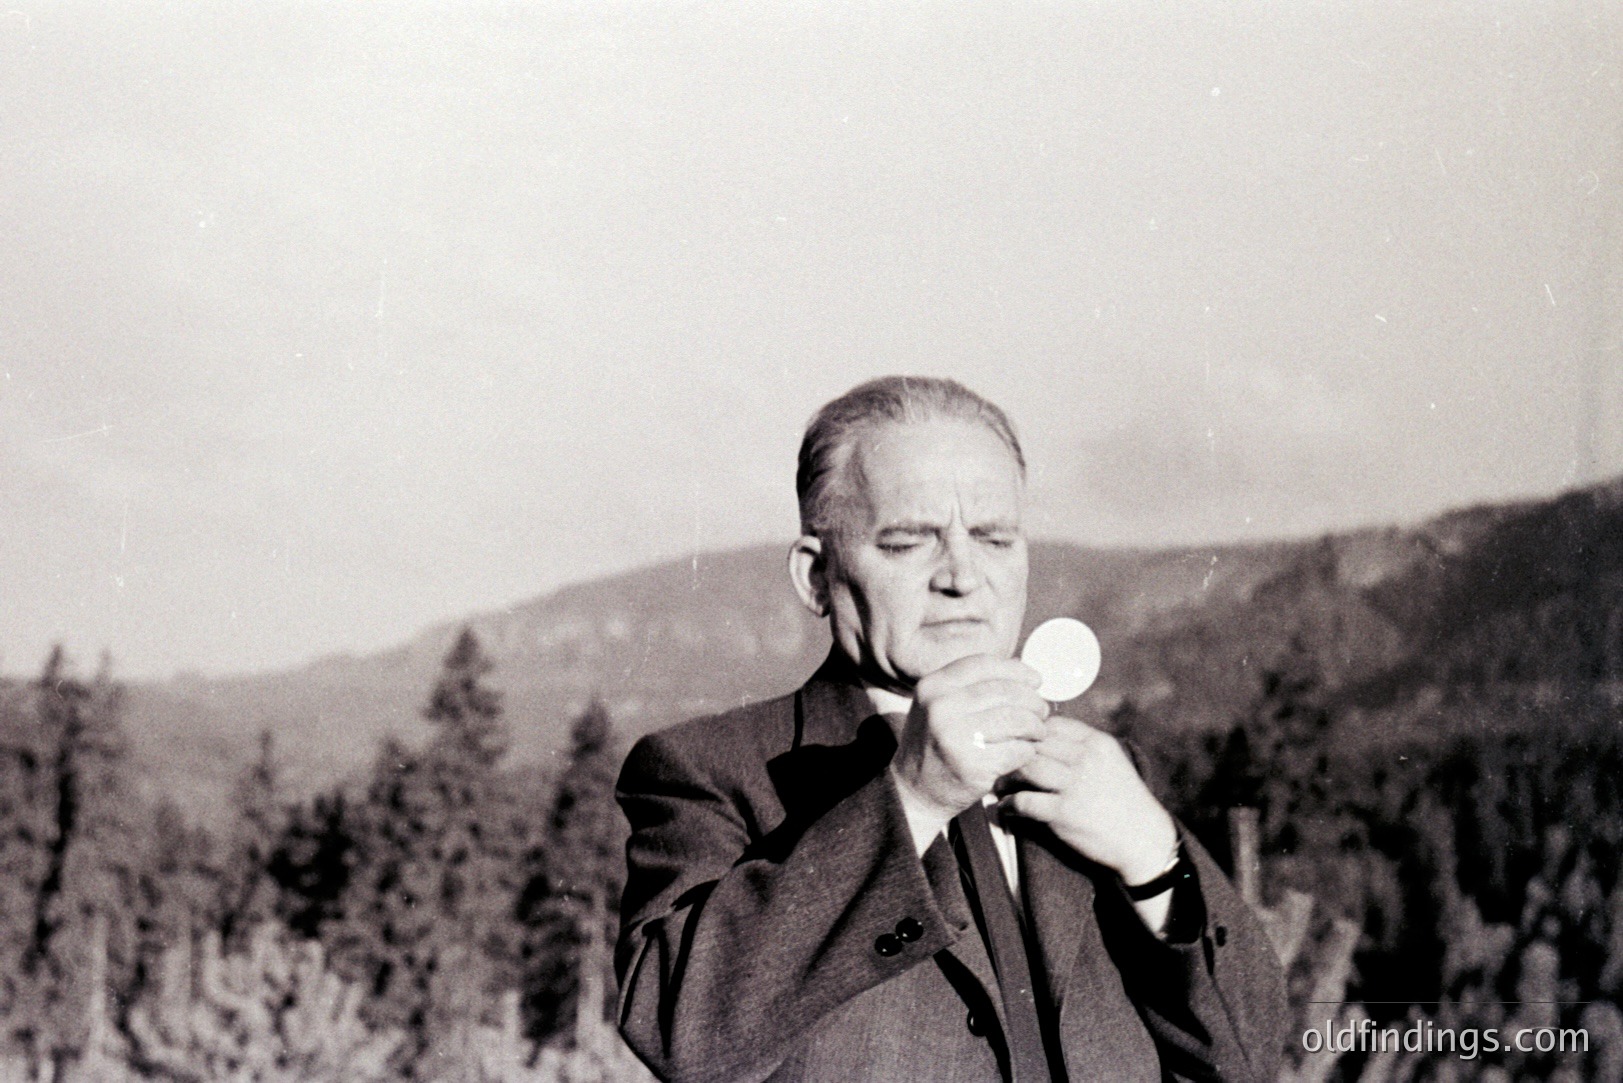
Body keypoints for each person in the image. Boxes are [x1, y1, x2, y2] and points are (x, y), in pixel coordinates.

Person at [614, 377, 1289, 1082]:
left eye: (994, 537)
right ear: (816, 576)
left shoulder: (1101, 777)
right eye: (909, 542)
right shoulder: (707, 770)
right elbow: (682, 1036)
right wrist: (911, 800)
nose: (963, 575)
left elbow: (1248, 1055)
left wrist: (1156, 861)